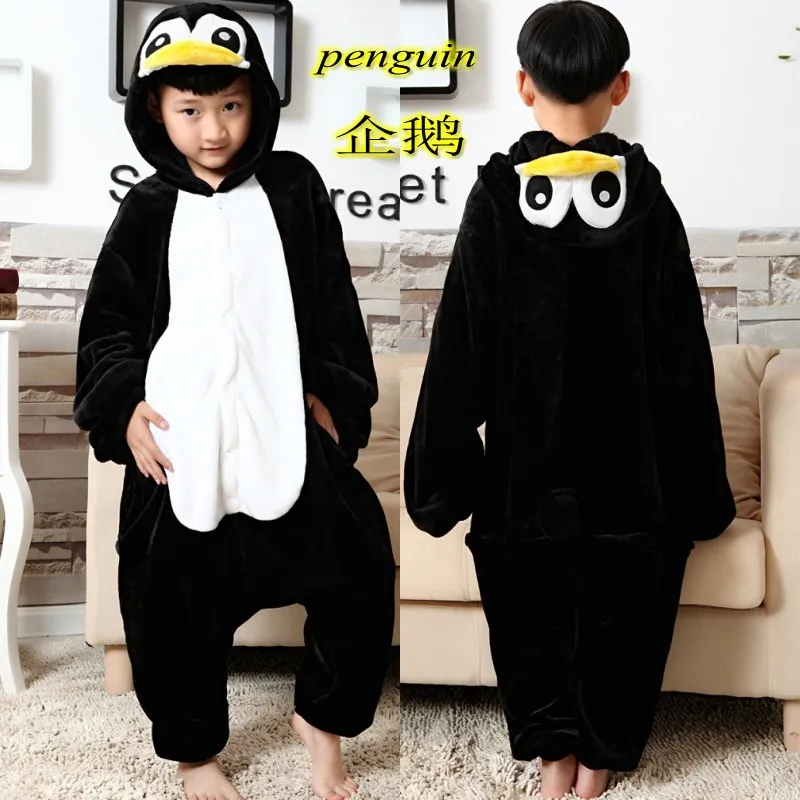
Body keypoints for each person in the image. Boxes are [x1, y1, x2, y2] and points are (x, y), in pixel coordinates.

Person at [403, 2, 735, 798]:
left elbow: (460, 347)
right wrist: (698, 490)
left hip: (526, 475)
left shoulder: (495, 201)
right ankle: (598, 759)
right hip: (633, 476)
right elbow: (682, 358)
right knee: (628, 608)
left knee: (529, 609)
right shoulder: (648, 202)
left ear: (524, 86)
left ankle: (555, 758)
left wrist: (442, 476)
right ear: (620, 86)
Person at [73, 5, 396, 800]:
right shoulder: (147, 209)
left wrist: (335, 399)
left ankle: (322, 720)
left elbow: (332, 303)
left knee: (358, 565)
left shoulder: (293, 190)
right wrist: (122, 408)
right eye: (190, 110)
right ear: (156, 109)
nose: (213, 130)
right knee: (167, 599)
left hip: (281, 428)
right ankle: (195, 754)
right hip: (181, 443)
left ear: (258, 104)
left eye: (230, 106)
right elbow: (109, 325)